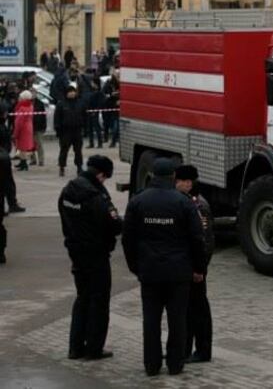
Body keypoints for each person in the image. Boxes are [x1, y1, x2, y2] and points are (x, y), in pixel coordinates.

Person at [122, 158, 207, 377]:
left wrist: (136, 267)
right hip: (178, 273)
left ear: (152, 175)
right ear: (173, 177)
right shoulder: (183, 202)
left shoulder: (138, 201)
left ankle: (151, 365)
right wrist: (199, 268)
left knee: (150, 321)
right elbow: (197, 238)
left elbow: (128, 239)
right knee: (177, 320)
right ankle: (175, 364)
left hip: (149, 272)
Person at [59, 155, 122, 360]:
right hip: (96, 254)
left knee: (82, 297)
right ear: (101, 174)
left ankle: (75, 347)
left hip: (75, 252)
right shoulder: (96, 196)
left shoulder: (68, 191)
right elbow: (113, 225)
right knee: (99, 301)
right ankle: (94, 348)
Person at [175, 164, 213, 364]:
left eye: (178, 181)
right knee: (186, 310)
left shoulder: (199, 206)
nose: (175, 184)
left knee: (198, 310)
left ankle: (202, 350)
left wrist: (200, 268)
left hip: (195, 269)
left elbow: (205, 241)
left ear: (188, 183)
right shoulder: (185, 201)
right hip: (187, 266)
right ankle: (184, 349)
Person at [55, 82, 85, 177]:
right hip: (65, 131)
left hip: (77, 130)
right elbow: (57, 118)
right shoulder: (61, 104)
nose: (72, 94)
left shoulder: (80, 103)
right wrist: (58, 131)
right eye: (70, 92)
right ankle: (62, 167)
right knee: (64, 150)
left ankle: (79, 167)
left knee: (78, 151)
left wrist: (84, 128)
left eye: (73, 92)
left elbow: (85, 116)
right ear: (66, 93)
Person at [12, 90, 35, 172]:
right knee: (23, 147)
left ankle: (24, 163)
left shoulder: (21, 107)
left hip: (23, 129)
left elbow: (19, 121)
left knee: (22, 147)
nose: (19, 98)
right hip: (28, 127)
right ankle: (22, 162)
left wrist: (16, 132)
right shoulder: (30, 106)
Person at [102, 71, 120, 148]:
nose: (117, 77)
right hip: (110, 107)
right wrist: (111, 94)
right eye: (116, 75)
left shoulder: (120, 84)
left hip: (117, 108)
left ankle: (114, 140)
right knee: (110, 124)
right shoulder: (109, 83)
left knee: (116, 125)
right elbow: (104, 93)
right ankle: (111, 140)